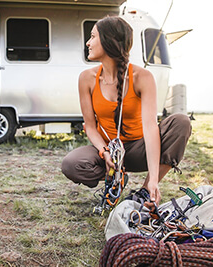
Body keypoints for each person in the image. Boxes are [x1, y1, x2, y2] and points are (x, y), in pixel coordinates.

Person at [61, 16, 191, 204]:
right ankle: (116, 177)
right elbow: (90, 126)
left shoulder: (142, 77)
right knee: (71, 165)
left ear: (109, 41)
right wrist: (104, 152)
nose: (88, 43)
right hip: (109, 151)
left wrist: (153, 178)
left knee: (181, 122)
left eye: (93, 37)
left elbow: (150, 127)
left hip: (139, 149)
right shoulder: (86, 78)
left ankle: (146, 191)